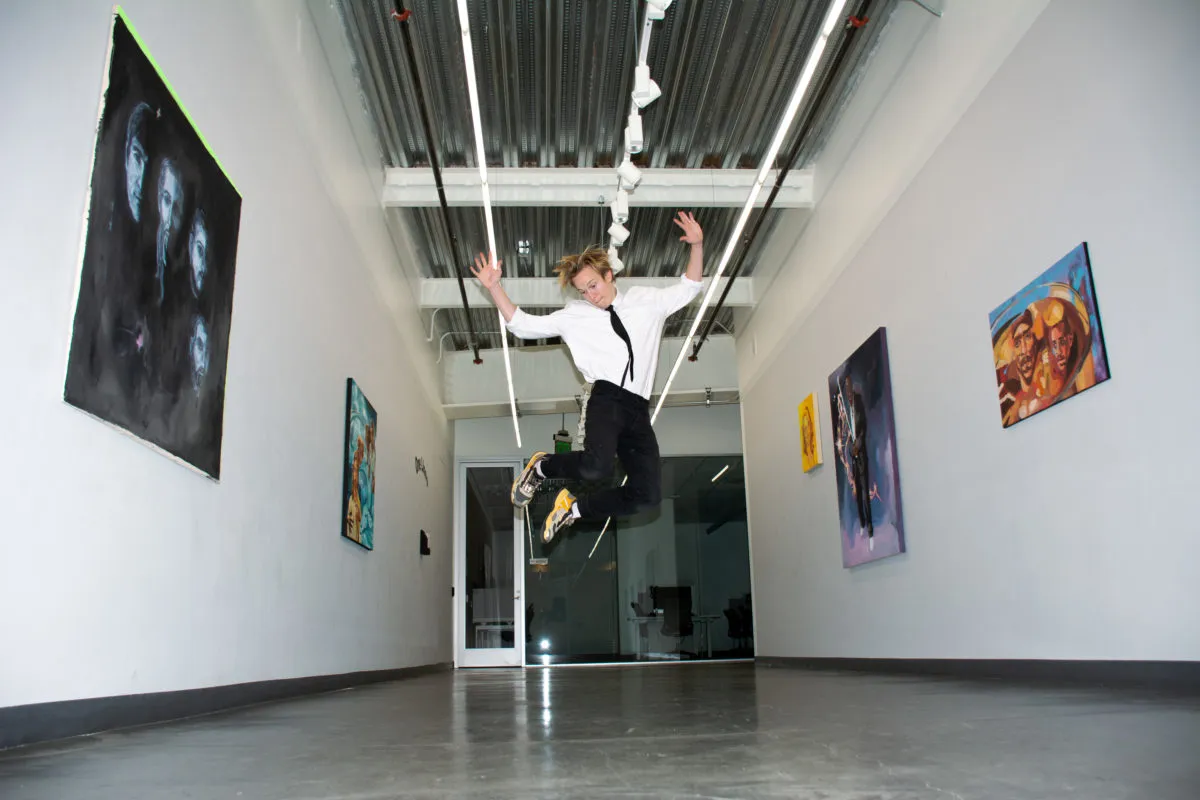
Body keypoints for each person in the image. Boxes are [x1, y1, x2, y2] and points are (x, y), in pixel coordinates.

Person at [470, 211, 705, 543]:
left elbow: (690, 286)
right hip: (606, 398)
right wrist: (494, 288)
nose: (591, 295)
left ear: (609, 275)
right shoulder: (575, 316)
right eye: (583, 291)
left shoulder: (645, 300)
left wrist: (697, 245)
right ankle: (541, 468)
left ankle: (574, 510)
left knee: (648, 495)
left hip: (638, 408)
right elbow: (523, 326)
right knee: (597, 466)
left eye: (593, 285)